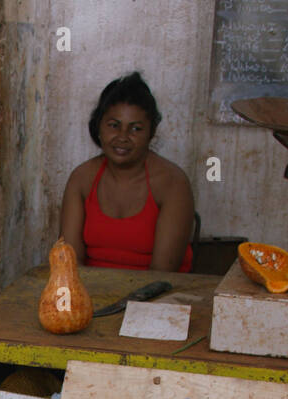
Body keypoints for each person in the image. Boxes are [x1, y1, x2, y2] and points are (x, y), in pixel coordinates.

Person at [60, 72, 194, 272]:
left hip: (157, 296)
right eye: (114, 126)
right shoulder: (82, 179)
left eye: (136, 129)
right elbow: (71, 263)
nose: (123, 137)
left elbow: (162, 273)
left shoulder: (173, 183)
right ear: (99, 126)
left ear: (151, 133)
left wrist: (128, 303)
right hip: (92, 293)